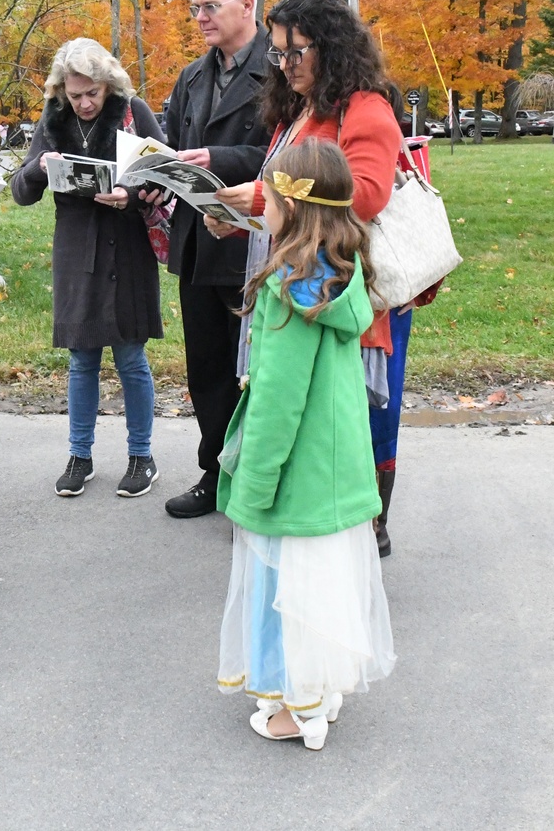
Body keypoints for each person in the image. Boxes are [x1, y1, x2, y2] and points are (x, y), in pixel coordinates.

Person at [215, 138, 396, 751]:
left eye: (270, 192)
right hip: (334, 471)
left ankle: (297, 708)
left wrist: (254, 481)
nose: (260, 201)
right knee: (322, 584)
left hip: (293, 472)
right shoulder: (339, 279)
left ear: (291, 207)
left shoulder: (289, 291)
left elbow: (278, 400)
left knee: (282, 589)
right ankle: (324, 689)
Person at [210, 0, 402, 554]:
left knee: (345, 409)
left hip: (340, 287)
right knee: (290, 396)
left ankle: (362, 525)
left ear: (332, 47)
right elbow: (289, 205)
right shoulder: (304, 110)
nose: (285, 64)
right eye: (278, 53)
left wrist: (258, 197)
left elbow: (364, 196)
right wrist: (240, 216)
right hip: (297, 280)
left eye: (297, 52)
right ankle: (296, 507)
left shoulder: (365, 108)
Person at [10, 38, 164, 498]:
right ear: (61, 91)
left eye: (92, 93)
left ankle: (142, 456)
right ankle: (80, 454)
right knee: (81, 358)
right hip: (77, 250)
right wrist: (40, 166)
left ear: (108, 84)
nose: (84, 103)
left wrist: (131, 196)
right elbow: (21, 190)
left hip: (128, 247)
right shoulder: (53, 119)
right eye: (75, 95)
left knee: (131, 357)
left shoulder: (133, 110)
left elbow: (164, 171)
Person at [160, 0, 271, 519]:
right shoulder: (192, 76)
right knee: (204, 366)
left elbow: (291, 158)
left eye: (211, 6)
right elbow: (174, 141)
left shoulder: (280, 70)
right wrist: (154, 178)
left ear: (247, 5)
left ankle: (255, 481)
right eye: (195, 7)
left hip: (252, 241)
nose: (200, 17)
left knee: (252, 370)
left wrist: (222, 158)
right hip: (199, 242)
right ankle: (214, 473)